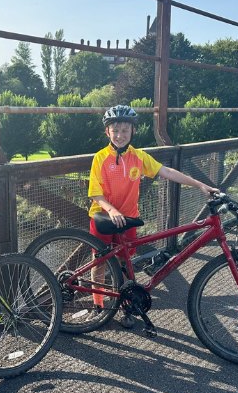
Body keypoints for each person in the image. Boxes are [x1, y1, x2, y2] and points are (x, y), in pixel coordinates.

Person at [88, 104, 217, 327]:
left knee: (125, 264)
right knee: (98, 264)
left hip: (128, 219)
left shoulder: (139, 157)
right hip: (103, 216)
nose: (120, 135)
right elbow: (96, 194)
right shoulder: (100, 158)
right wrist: (112, 210)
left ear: (133, 132)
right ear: (107, 132)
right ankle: (98, 306)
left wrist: (199, 184)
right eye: (115, 130)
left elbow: (166, 172)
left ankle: (126, 306)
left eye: (125, 131)